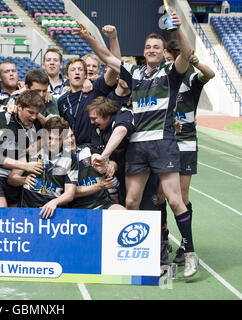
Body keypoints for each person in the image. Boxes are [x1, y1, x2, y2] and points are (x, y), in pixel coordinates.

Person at [73, 12, 199, 278]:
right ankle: (134, 254)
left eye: (156, 47)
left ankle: (189, 252)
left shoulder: (170, 72)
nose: (151, 50)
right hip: (138, 146)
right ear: (143, 52)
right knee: (131, 200)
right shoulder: (135, 72)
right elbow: (107, 57)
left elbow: (187, 53)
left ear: (163, 51)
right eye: (147, 47)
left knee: (175, 200)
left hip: (163, 142)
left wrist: (177, 29)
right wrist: (89, 38)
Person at [159, 40, 215, 265]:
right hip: (163, 141)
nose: (167, 59)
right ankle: (162, 238)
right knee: (159, 195)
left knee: (181, 197)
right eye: (166, 55)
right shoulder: (160, 78)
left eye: (170, 56)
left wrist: (197, 62)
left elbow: (210, 74)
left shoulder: (190, 80)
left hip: (186, 142)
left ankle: (185, 243)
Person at [0, 90, 44, 207]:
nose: (33, 117)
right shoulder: (0, 119)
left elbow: (55, 127)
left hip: (15, 179)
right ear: (19, 107)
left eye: (37, 113)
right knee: (0, 211)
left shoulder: (30, 125)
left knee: (13, 219)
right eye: (31, 112)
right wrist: (25, 166)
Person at [8, 117, 78, 218]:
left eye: (58, 139)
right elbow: (11, 179)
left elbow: (70, 193)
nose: (53, 143)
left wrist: (55, 202)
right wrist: (23, 180)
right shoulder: (33, 151)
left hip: (54, 213)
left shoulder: (70, 158)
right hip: (27, 211)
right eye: (50, 138)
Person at [57, 56, 116, 147]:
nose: (77, 72)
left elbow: (113, 70)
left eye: (80, 70)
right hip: (70, 148)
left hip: (92, 147)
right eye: (73, 70)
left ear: (85, 74)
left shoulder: (95, 89)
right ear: (67, 76)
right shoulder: (61, 100)